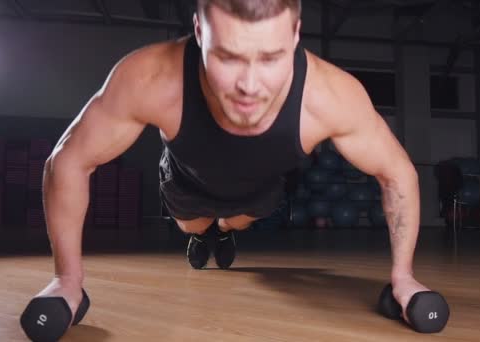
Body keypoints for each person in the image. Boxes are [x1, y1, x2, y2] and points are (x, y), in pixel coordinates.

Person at [34, 0, 428, 329]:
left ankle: (224, 233)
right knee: (194, 223)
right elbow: (68, 161)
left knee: (234, 221)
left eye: (272, 58)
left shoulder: (331, 96)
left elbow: (398, 173)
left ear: (294, 36)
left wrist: (403, 277)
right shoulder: (151, 77)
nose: (250, 86)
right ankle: (203, 233)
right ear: (200, 33)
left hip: (257, 188)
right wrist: (67, 280)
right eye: (228, 57)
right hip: (186, 179)